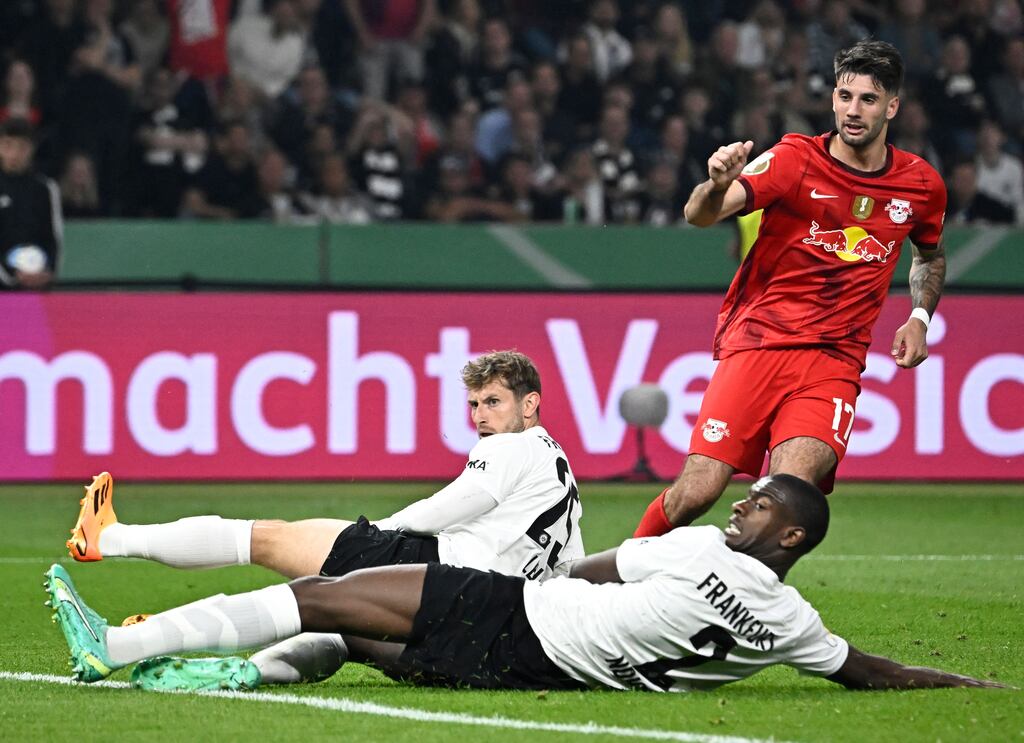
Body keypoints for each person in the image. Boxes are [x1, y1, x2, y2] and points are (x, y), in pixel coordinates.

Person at [47, 474, 1004, 693]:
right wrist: (968, 685)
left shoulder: (701, 551)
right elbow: (864, 670)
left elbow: (589, 567)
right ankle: (222, 676)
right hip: (533, 675)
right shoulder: (793, 621)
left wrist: (497, 573)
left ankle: (119, 646)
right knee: (352, 638)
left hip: (524, 610)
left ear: (788, 531)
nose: (739, 507)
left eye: (757, 506)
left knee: (323, 594)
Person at [63, 350, 582, 686]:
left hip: (431, 568)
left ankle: (110, 538)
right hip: (478, 630)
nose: (480, 416)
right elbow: (569, 572)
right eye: (474, 404)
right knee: (340, 634)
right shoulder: (564, 479)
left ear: (529, 404)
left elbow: (446, 508)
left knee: (266, 539)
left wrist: (380, 533)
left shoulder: (514, 447)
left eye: (493, 401)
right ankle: (244, 672)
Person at [633, 40, 948, 538]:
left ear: (892, 107)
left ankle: (740, 604)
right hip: (760, 342)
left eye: (868, 99)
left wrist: (919, 317)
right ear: (833, 98)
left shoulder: (921, 185)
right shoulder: (794, 158)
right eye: (845, 96)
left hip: (834, 360)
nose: (853, 110)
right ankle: (621, 576)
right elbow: (700, 215)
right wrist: (715, 183)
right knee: (697, 492)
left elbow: (929, 257)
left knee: (785, 495)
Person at [0, 118, 62, 290]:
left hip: (37, 283)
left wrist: (48, 272)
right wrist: (11, 276)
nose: (14, 154)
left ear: (31, 149)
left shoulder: (45, 188)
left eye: (21, 147)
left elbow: (54, 237)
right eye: (7, 145)